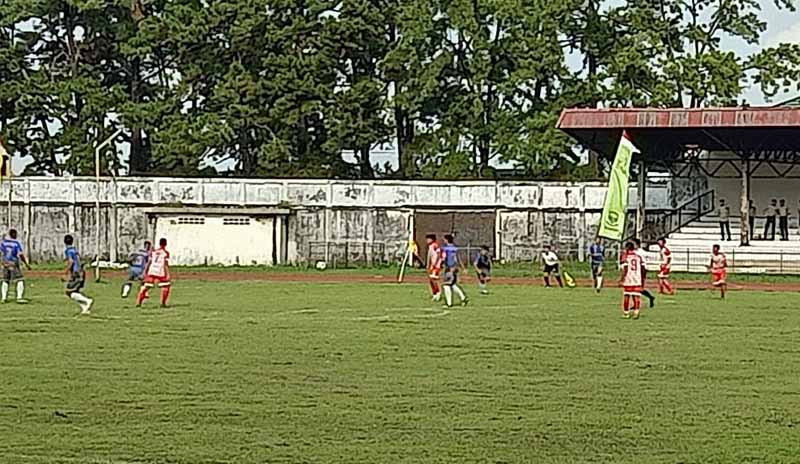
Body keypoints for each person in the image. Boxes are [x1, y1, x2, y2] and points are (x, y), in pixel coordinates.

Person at [137, 238, 171, 308]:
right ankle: (163, 303)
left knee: (146, 286)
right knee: (166, 286)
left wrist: (145, 271)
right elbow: (165, 264)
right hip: (160, 270)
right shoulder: (166, 253)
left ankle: (139, 302)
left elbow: (149, 262)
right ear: (166, 244)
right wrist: (167, 274)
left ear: (159, 243)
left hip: (152, 270)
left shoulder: (154, 252)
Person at [63, 235, 93, 314]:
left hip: (76, 273)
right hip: (81, 272)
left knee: (69, 292)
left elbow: (71, 262)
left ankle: (87, 301)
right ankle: (85, 308)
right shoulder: (75, 250)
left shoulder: (68, 251)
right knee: (75, 291)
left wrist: (65, 272)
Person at [1, 229, 30, 303]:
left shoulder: (4, 243)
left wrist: (2, 262)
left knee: (5, 280)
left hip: (5, 263)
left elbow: (1, 252)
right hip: (13, 263)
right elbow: (20, 254)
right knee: (20, 279)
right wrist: (26, 264)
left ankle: (4, 298)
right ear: (14, 234)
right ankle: (19, 297)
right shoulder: (16, 243)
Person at [441, 234, 468, 307]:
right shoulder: (455, 248)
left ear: (446, 240)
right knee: (452, 284)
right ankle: (463, 297)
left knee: (446, 285)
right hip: (455, 268)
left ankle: (449, 303)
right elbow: (459, 259)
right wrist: (462, 268)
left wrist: (442, 265)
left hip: (450, 268)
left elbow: (444, 258)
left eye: (444, 239)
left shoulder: (446, 249)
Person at [619, 241, 644, 319]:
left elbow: (625, 269)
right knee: (636, 296)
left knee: (627, 296)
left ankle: (626, 313)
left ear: (627, 248)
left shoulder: (626, 257)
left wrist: (621, 279)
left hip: (629, 278)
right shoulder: (638, 257)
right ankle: (636, 312)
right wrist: (642, 279)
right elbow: (643, 269)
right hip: (637, 278)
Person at [633, 239, 656, 307]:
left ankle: (637, 304)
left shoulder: (640, 252)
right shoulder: (636, 251)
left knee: (638, 287)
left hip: (641, 270)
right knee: (635, 287)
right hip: (638, 270)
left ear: (637, 244)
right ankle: (650, 297)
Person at [425, 234, 443, 301]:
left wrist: (436, 263)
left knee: (434, 279)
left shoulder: (435, 245)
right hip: (432, 265)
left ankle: (438, 293)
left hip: (436, 265)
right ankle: (434, 293)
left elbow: (438, 254)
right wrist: (428, 264)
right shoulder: (430, 246)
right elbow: (429, 256)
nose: (427, 240)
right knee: (430, 280)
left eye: (428, 239)